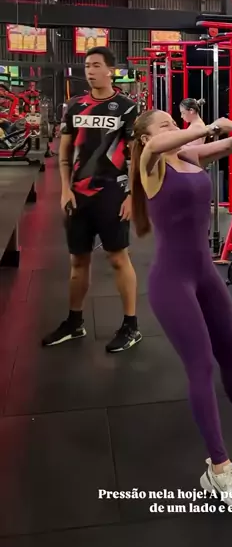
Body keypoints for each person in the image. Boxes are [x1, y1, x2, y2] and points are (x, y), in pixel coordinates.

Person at [130, 109, 232, 505]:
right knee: (201, 365)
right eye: (164, 124)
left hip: (205, 275)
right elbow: (162, 143)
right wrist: (204, 127)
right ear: (144, 138)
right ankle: (219, 467)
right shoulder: (151, 163)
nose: (172, 128)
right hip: (172, 282)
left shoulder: (188, 156)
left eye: (174, 122)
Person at [42, 47, 142, 353]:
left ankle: (131, 326)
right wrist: (64, 189)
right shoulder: (75, 106)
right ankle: (75, 322)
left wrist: (132, 197)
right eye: (87, 66)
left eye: (96, 65)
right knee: (77, 260)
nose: (90, 71)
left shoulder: (127, 107)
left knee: (118, 258)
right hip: (79, 195)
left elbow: (135, 157)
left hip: (112, 192)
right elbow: (64, 153)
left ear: (110, 70)